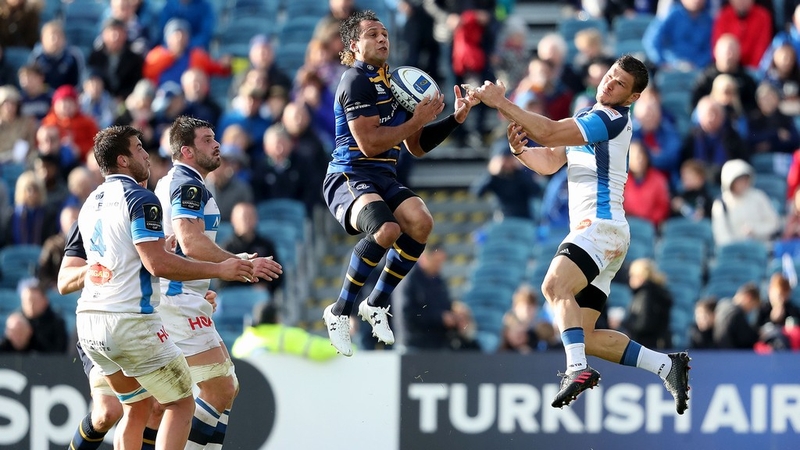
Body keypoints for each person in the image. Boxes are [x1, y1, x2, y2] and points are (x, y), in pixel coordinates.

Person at [471, 54, 691, 414]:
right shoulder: (592, 116)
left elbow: (548, 131)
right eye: (610, 75)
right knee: (583, 335)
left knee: (553, 287)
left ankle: (577, 369)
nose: (609, 83)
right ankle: (666, 366)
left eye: (620, 83)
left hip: (599, 229)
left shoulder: (610, 118)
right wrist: (519, 150)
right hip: (607, 235)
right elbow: (550, 161)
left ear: (633, 98)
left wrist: (502, 103)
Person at [75, 125, 255, 449]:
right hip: (130, 319)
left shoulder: (90, 204)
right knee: (184, 401)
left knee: (139, 407)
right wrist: (219, 269)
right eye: (139, 148)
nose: (146, 154)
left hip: (89, 319)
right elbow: (156, 262)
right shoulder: (141, 197)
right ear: (124, 160)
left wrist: (194, 284)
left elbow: (122, 261)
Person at [321, 9, 478, 356]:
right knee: (387, 230)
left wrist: (455, 118)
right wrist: (417, 118)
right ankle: (339, 311)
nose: (381, 39)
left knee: (421, 222)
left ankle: (376, 304)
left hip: (383, 176)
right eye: (372, 34)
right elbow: (370, 143)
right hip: (350, 175)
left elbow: (416, 146)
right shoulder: (355, 80)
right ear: (353, 45)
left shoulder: (398, 82)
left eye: (385, 34)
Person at [153, 115, 282, 449]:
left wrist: (202, 283)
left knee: (222, 389)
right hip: (176, 301)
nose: (217, 144)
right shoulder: (188, 183)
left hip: (183, 297)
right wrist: (235, 263)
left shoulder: (176, 181)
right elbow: (189, 240)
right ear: (187, 151)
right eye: (207, 139)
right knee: (218, 389)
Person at [231, 301, 339, 360]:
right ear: (276, 318)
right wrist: (345, 348)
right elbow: (317, 349)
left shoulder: (241, 342)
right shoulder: (287, 335)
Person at [711, 159, 780, 246]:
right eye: (738, 180)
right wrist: (739, 247)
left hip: (763, 247)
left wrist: (755, 229)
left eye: (744, 179)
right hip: (735, 253)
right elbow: (721, 235)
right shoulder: (720, 203)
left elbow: (774, 223)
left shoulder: (759, 196)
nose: (742, 183)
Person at [713, 282, 761, 349]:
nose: (750, 310)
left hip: (718, 352)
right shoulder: (737, 313)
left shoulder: (722, 304)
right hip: (733, 355)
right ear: (748, 298)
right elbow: (747, 339)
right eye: (752, 306)